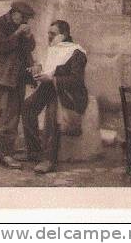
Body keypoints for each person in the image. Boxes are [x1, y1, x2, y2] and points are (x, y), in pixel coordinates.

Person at [18, 20, 88, 174]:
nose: (49, 37)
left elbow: (76, 81)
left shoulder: (77, 53)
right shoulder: (55, 48)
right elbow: (51, 68)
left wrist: (52, 79)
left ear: (64, 35)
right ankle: (35, 151)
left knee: (52, 113)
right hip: (52, 87)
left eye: (53, 34)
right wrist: (38, 69)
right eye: (48, 33)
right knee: (28, 106)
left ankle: (49, 159)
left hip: (70, 94)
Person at [0, 1, 36, 169]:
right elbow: (2, 47)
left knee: (9, 112)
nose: (25, 21)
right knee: (9, 113)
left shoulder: (22, 26)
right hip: (5, 75)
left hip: (19, 75)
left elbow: (30, 48)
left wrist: (29, 36)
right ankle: (6, 155)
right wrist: (17, 33)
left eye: (27, 19)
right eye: (23, 17)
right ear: (14, 12)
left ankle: (0, 148)